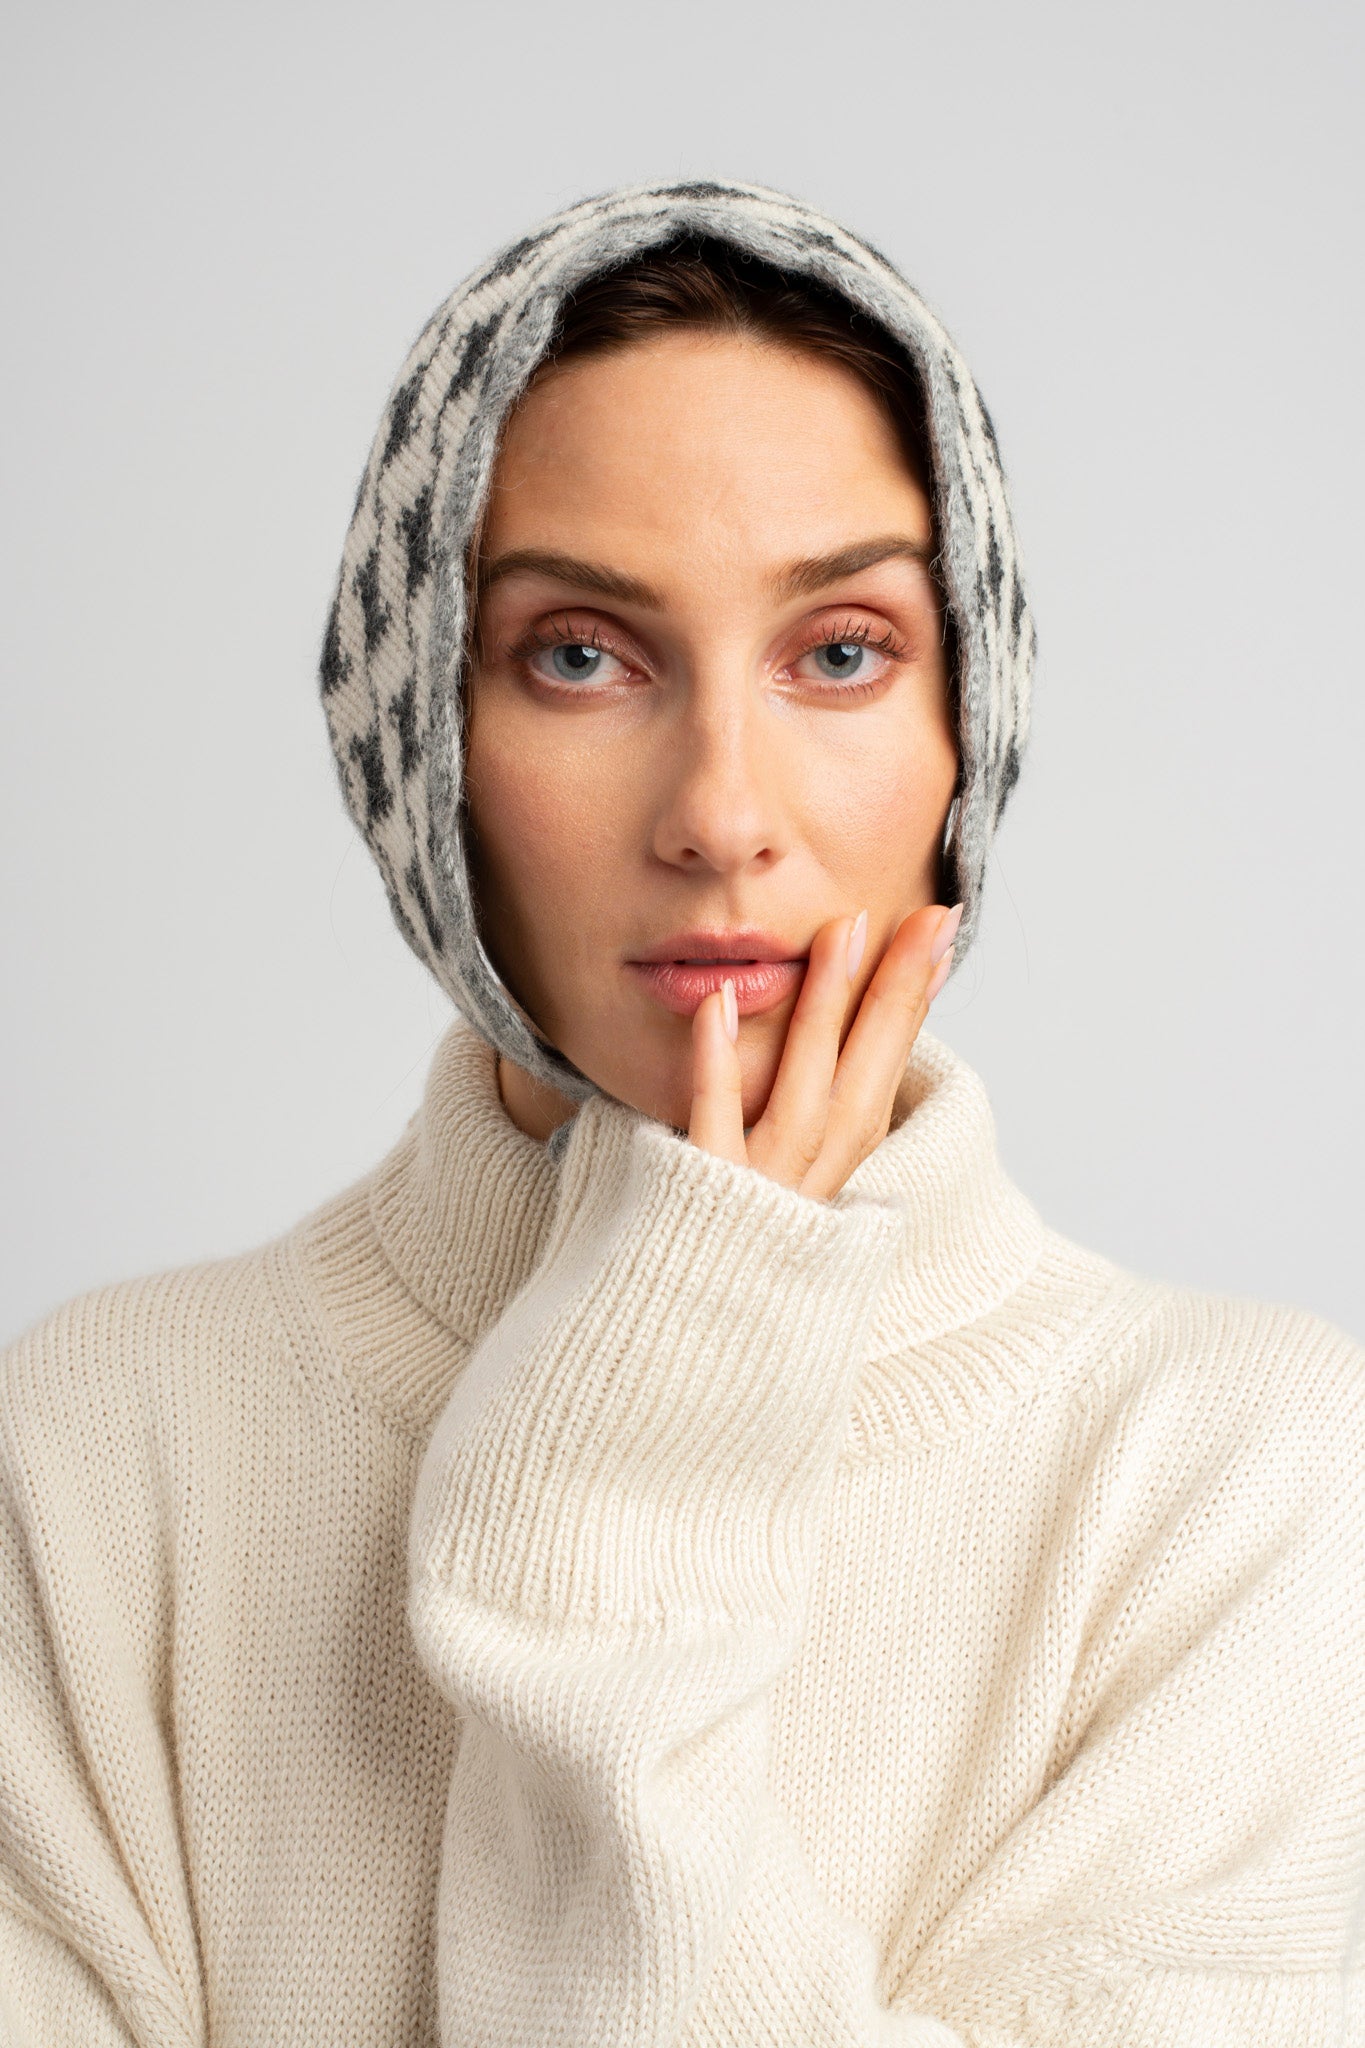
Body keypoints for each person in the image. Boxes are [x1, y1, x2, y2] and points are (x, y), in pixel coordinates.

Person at [1, 179, 1361, 2048]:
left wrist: (619, 1486)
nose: (722, 811)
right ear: (418, 742)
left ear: (972, 720)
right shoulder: (92, 1458)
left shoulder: (1244, 1486)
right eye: (579, 654)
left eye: (840, 653)